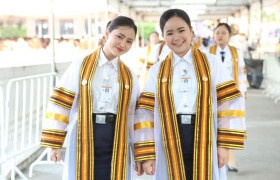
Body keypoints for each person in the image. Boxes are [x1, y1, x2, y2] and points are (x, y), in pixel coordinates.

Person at [133, 9, 246, 180]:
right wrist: (147, 152)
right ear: (163, 36)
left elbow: (227, 103)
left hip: (205, 134)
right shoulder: (157, 70)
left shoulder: (212, 63)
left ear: (191, 31)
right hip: (169, 135)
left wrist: (224, 146)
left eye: (181, 30)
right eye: (169, 33)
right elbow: (146, 111)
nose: (176, 37)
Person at [40, 16, 139, 180]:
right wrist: (54, 143)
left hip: (116, 138)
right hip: (83, 135)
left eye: (129, 41)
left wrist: (140, 153)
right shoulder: (81, 65)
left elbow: (135, 114)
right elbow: (61, 103)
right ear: (107, 33)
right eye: (119, 36)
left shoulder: (129, 76)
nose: (123, 44)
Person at [209, 23, 247, 172]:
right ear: (213, 35)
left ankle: (231, 161)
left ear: (229, 35)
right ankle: (215, 160)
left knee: (230, 127)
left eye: (224, 33)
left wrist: (240, 93)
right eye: (217, 32)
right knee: (214, 127)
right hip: (213, 97)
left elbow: (241, 74)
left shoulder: (236, 52)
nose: (220, 36)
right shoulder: (207, 52)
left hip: (233, 97)